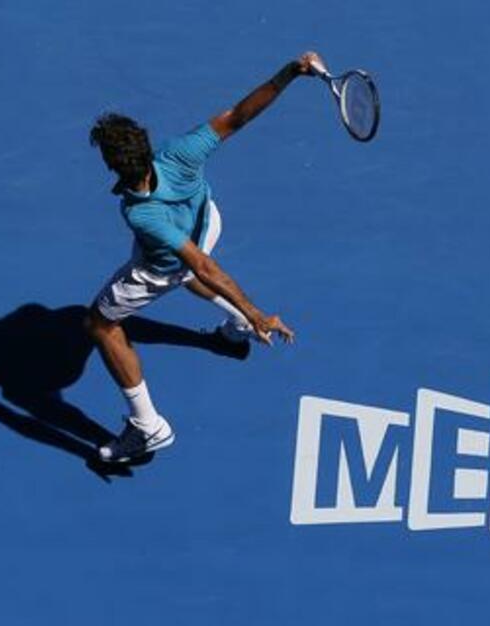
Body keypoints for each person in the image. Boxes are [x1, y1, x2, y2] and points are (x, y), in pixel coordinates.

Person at [85, 51, 322, 462]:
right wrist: (290, 71)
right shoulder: (179, 151)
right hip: (207, 223)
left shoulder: (140, 213)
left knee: (100, 324)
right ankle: (235, 331)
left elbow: (202, 266)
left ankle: (147, 427)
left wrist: (257, 312)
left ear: (113, 166)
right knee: (192, 268)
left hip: (168, 262)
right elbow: (239, 116)